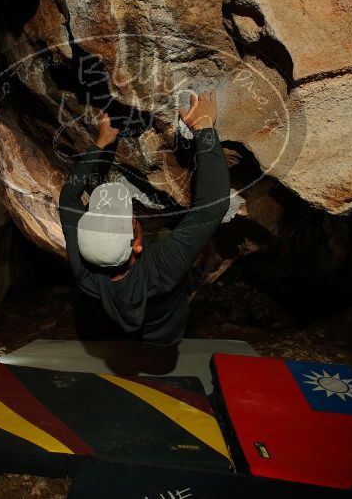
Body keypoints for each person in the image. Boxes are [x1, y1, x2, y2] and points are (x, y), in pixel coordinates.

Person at [58, 91, 230, 346]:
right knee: (174, 240)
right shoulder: (161, 267)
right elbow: (211, 207)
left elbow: (67, 200)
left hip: (125, 330)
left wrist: (100, 144)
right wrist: (204, 128)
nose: (132, 215)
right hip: (168, 338)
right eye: (130, 219)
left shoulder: (85, 276)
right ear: (137, 245)